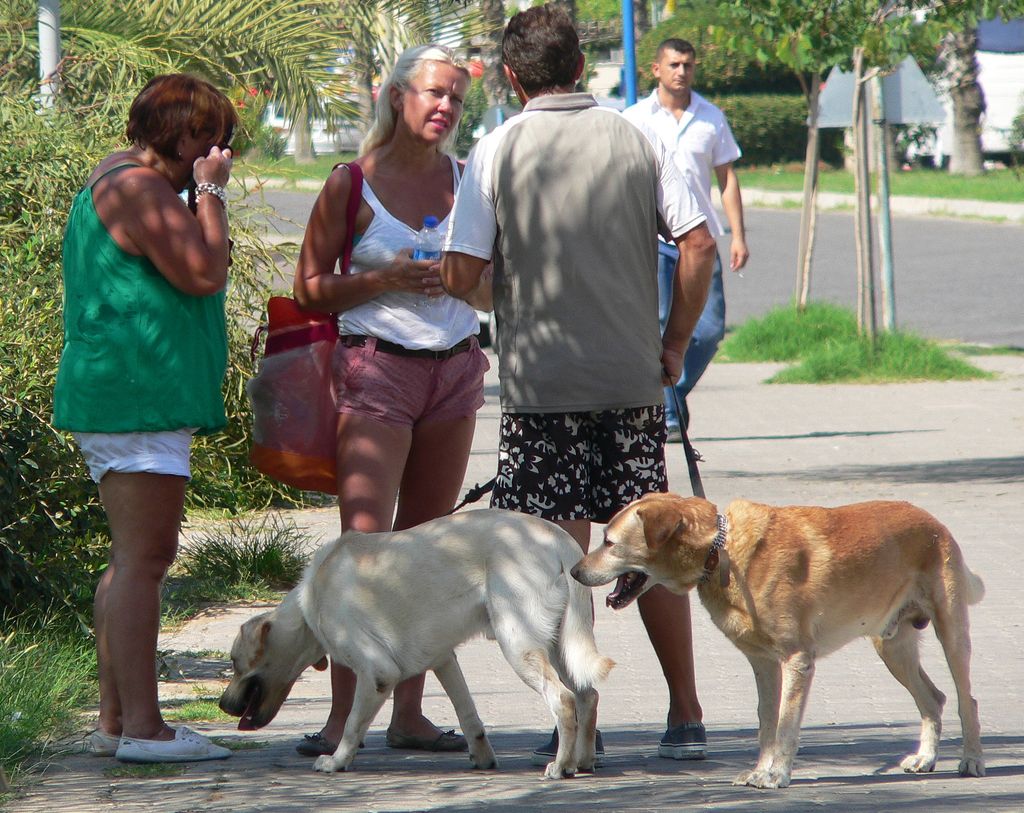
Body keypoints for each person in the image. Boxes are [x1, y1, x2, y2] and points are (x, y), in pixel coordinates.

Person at [440, 4, 717, 764]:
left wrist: (513, 299)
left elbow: (462, 271)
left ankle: (580, 722)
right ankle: (687, 712)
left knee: (563, 557)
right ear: (578, 67)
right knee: (655, 545)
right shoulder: (641, 138)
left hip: (542, 387)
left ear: (508, 75)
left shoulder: (495, 149)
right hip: (630, 380)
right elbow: (697, 246)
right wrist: (674, 341)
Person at [292, 44, 491, 757]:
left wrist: (467, 282)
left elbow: (499, 277)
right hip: (375, 371)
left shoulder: (471, 180)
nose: (445, 108)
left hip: (457, 372)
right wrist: (384, 282)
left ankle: (409, 712)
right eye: (435, 93)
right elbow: (307, 286)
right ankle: (341, 718)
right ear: (397, 96)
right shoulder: (353, 182)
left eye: (457, 100)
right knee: (366, 547)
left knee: (429, 545)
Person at [53, 73, 237, 763]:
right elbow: (203, 271)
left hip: (126, 395)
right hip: (135, 397)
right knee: (146, 561)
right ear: (178, 133)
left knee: (127, 561)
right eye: (208, 136)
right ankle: (145, 728)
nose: (217, 149)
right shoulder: (139, 188)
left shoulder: (123, 178)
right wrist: (211, 194)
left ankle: (113, 719)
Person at [623, 38, 750, 440]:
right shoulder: (634, 119)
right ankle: (669, 415)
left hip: (700, 240)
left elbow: (727, 180)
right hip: (653, 241)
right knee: (659, 323)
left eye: (688, 65)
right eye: (674, 64)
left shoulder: (711, 117)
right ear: (656, 69)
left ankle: (671, 393)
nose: (682, 71)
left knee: (710, 330)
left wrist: (738, 235)